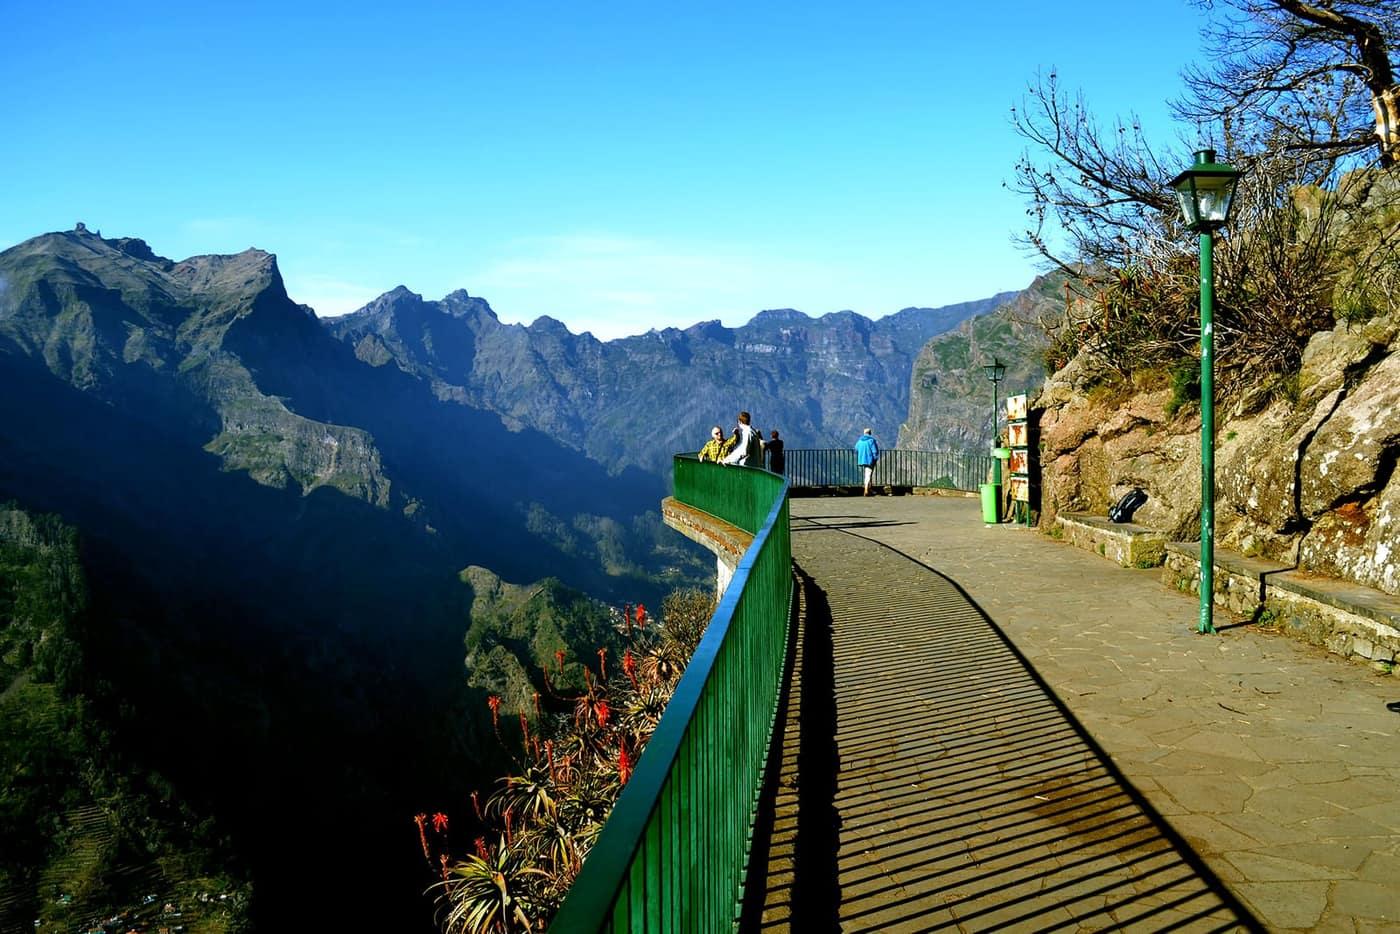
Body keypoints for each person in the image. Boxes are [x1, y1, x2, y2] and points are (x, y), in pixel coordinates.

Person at [854, 427, 880, 495]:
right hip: (870, 459)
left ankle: (869, 488)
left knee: (867, 473)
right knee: (868, 474)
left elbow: (856, 448)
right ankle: (866, 490)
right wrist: (875, 458)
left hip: (862, 459)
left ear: (864, 433)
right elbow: (874, 450)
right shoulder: (871, 440)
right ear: (870, 433)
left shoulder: (860, 441)